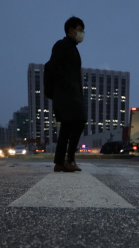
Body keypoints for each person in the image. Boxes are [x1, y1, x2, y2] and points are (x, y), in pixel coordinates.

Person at [50, 16, 86, 172]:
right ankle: (69, 160)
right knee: (79, 121)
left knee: (67, 127)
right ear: (71, 30)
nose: (82, 34)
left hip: (72, 94)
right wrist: (66, 87)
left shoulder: (74, 49)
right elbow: (54, 67)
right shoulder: (62, 45)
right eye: (80, 30)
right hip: (66, 95)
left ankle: (60, 163)